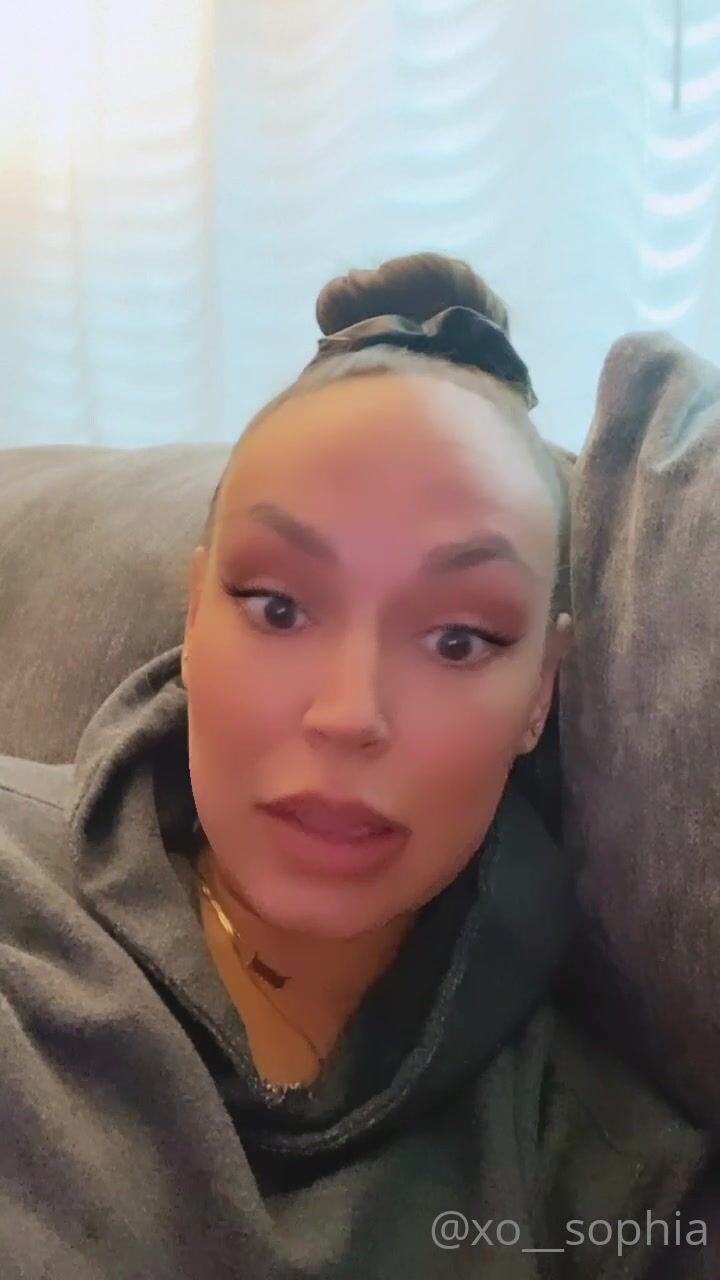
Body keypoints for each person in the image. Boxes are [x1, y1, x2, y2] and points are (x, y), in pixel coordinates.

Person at [0, 253, 712, 1279]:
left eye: (458, 639)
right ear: (194, 618)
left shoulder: (606, 1182)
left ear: (542, 692)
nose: (348, 715)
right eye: (279, 607)